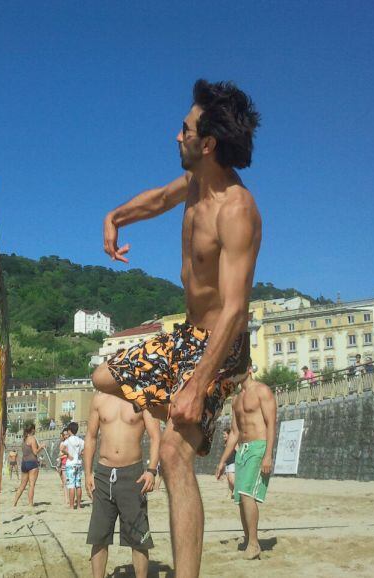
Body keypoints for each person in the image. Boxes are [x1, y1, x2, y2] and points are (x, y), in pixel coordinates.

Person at [91, 79, 261, 577]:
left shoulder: (237, 209)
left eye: (185, 129)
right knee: (105, 376)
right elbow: (156, 200)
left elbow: (233, 309)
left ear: (207, 143)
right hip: (185, 339)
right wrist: (114, 215)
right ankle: (196, 422)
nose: (176, 135)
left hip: (222, 347)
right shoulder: (192, 186)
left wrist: (198, 383)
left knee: (172, 454)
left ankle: (192, 426)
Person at [84, 393, 160, 578]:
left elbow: (156, 436)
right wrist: (87, 473)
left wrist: (151, 470)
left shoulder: (142, 398)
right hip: (103, 474)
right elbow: (91, 436)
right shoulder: (100, 399)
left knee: (138, 537)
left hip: (133, 475)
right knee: (99, 536)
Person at [216, 374, 276, 560]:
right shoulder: (236, 399)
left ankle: (253, 543)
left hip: (259, 446)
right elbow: (234, 432)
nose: (234, 375)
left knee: (246, 494)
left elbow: (271, 424)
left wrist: (268, 454)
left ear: (248, 368)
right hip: (242, 450)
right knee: (240, 498)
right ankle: (250, 539)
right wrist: (223, 461)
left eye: (238, 369)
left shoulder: (262, 390)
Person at [13, 424, 45, 507]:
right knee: (31, 485)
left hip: (24, 463)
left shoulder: (24, 439)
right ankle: (30, 504)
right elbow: (35, 452)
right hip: (32, 463)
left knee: (22, 485)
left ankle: (14, 502)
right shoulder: (32, 439)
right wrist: (41, 447)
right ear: (32, 430)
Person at [63, 422, 86, 509]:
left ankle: (72, 506)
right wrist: (79, 453)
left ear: (69, 430)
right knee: (78, 485)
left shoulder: (68, 440)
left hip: (70, 464)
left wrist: (68, 454)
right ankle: (79, 505)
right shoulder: (81, 441)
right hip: (78, 463)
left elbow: (61, 448)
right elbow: (83, 452)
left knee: (71, 485)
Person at [221, 428, 237, 499]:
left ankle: (236, 491)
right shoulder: (225, 443)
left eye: (224, 434)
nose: (223, 436)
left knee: (231, 479)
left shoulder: (232, 443)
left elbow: (238, 451)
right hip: (228, 463)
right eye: (223, 434)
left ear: (229, 435)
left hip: (233, 462)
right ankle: (230, 494)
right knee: (229, 480)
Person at [57, 428, 71, 505]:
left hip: (70, 463)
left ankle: (70, 498)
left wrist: (64, 455)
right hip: (64, 463)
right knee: (65, 483)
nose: (65, 436)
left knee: (71, 483)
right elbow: (60, 455)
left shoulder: (71, 442)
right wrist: (64, 455)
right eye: (64, 434)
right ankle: (66, 499)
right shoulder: (62, 443)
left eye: (67, 434)